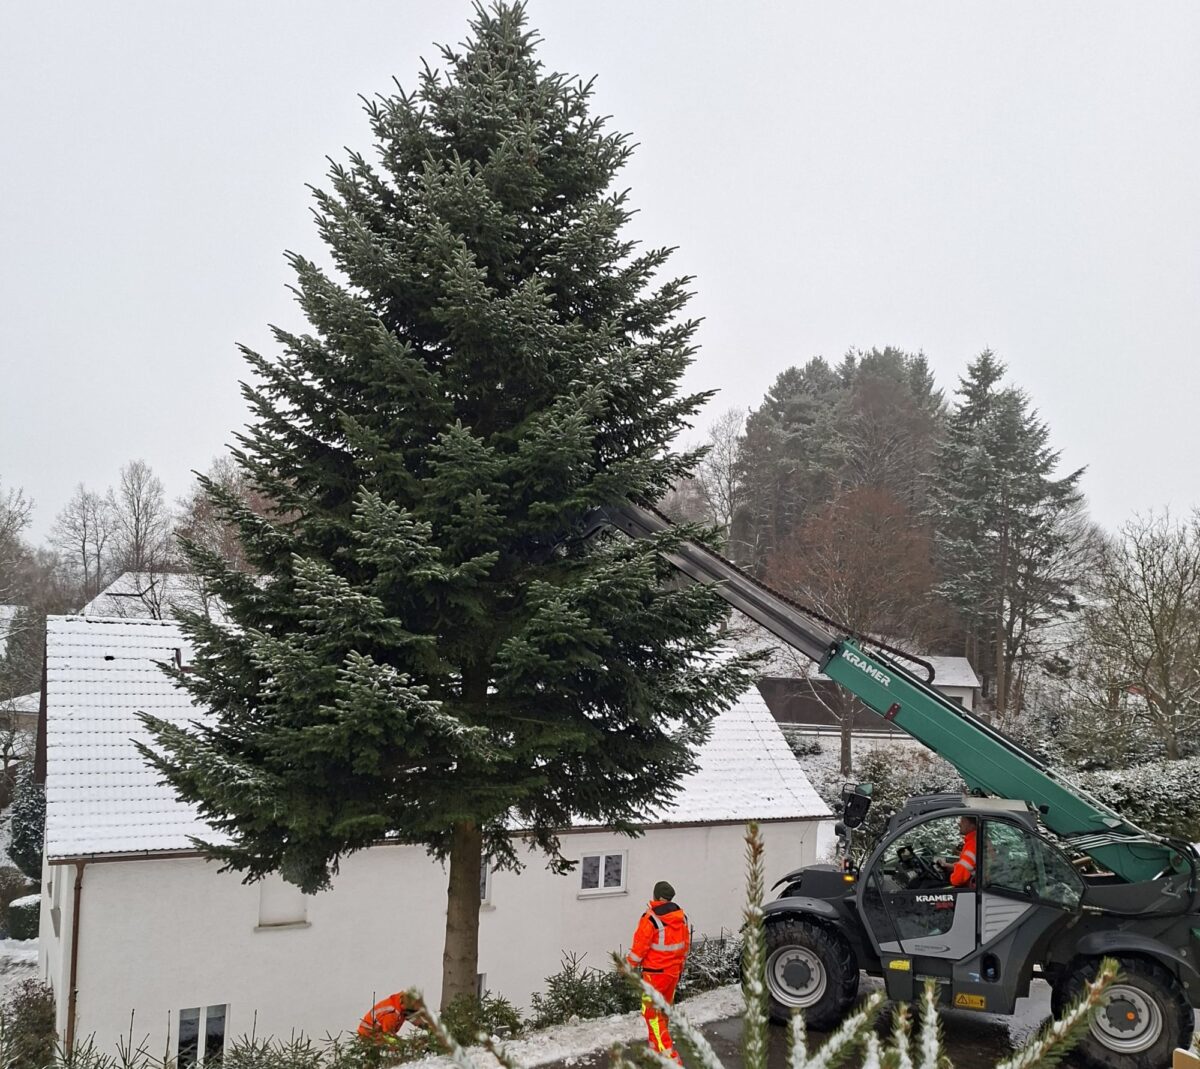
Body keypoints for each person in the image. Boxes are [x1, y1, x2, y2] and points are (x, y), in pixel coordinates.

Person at [626, 880, 691, 1065]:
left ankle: (668, 1056)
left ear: (655, 896)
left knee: (651, 1013)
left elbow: (640, 949)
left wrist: (628, 965)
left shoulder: (650, 919)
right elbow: (685, 946)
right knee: (662, 1012)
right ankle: (656, 1046)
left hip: (654, 975)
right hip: (672, 973)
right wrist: (680, 966)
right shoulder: (682, 917)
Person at [357, 992, 425, 1044]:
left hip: (379, 1032)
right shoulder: (392, 1012)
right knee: (394, 1045)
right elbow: (388, 1034)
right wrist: (402, 1044)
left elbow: (414, 1019)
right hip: (369, 1033)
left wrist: (427, 1027)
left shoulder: (402, 1006)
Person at [940, 815, 979, 888]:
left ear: (972, 826)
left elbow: (958, 879)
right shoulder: (976, 839)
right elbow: (969, 866)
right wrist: (951, 866)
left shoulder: (972, 845)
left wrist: (951, 878)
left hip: (970, 889)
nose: (959, 823)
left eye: (963, 821)